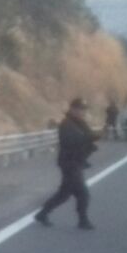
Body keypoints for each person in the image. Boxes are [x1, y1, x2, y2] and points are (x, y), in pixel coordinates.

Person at [35, 97, 98, 231]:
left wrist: (94, 136)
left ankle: (42, 214)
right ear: (73, 109)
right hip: (69, 163)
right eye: (80, 109)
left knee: (64, 194)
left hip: (76, 162)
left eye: (84, 109)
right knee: (82, 193)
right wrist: (88, 139)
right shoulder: (66, 124)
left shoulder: (81, 123)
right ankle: (83, 221)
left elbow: (89, 135)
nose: (83, 112)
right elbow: (70, 141)